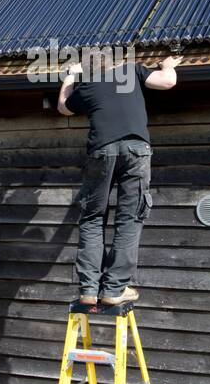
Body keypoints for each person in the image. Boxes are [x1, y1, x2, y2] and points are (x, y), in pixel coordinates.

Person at [57, 50, 182, 307]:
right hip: (136, 149)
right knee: (130, 218)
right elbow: (168, 82)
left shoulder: (87, 85)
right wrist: (168, 65)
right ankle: (114, 288)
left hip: (101, 151)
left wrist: (70, 76)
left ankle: (89, 289)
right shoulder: (131, 71)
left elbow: (63, 107)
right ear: (114, 63)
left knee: (92, 218)